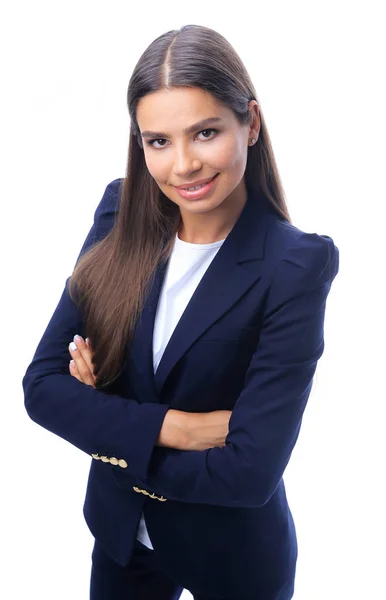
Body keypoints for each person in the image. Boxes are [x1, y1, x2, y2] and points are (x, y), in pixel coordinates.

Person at [22, 23, 339, 600]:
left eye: (206, 132)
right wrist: (184, 429)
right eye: (159, 141)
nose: (184, 165)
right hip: (120, 538)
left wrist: (105, 422)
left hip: (231, 556)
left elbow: (249, 473)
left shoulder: (295, 264)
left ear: (252, 123)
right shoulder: (120, 215)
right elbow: (42, 387)